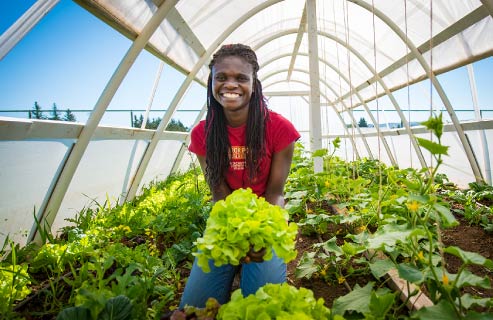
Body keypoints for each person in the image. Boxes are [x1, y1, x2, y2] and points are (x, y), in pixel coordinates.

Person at [179, 43, 300, 308]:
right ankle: (231, 268)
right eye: (221, 77)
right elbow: (219, 192)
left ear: (254, 84)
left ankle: (249, 269)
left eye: (241, 78)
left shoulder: (279, 128)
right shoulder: (203, 133)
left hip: (266, 218)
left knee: (261, 304)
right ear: (212, 82)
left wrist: (260, 236)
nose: (230, 85)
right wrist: (232, 235)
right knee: (194, 309)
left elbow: (275, 193)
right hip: (227, 222)